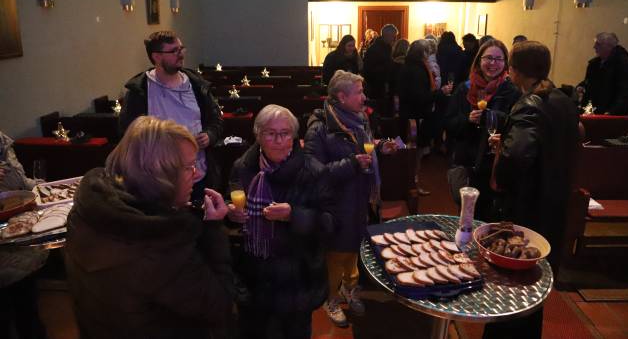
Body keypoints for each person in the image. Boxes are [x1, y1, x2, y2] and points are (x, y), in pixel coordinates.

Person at [64, 116, 234, 339]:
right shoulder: (163, 246)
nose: (198, 174)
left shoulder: (87, 212)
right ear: (160, 176)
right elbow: (219, 305)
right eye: (189, 167)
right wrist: (213, 230)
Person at [485, 41, 579, 339]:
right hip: (554, 200)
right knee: (535, 282)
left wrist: (503, 159)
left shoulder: (529, 104)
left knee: (512, 278)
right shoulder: (562, 100)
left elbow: (517, 158)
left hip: (528, 205)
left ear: (515, 70)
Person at [226, 105, 333, 339]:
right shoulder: (243, 168)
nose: (277, 140)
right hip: (253, 277)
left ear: (294, 137)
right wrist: (231, 214)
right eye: (270, 133)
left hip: (296, 278)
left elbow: (329, 223)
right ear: (258, 135)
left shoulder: (313, 172)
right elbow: (231, 206)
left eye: (284, 133)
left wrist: (293, 215)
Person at [304, 71, 397, 327]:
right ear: (342, 97)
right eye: (359, 93)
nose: (364, 97)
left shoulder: (357, 120)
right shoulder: (320, 128)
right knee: (336, 256)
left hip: (358, 199)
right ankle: (331, 300)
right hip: (335, 204)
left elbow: (360, 149)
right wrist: (351, 165)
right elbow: (315, 173)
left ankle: (350, 289)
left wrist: (378, 148)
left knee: (354, 251)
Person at [119, 31, 224, 204]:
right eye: (174, 51)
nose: (181, 54)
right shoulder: (140, 91)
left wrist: (209, 135)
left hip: (197, 175)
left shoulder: (196, 85)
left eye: (181, 48)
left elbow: (216, 119)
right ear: (157, 57)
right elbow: (127, 132)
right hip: (158, 180)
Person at [444, 39, 520, 221]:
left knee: (492, 217)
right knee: (468, 215)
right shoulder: (465, 88)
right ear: (479, 60)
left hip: (495, 163)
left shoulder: (511, 91)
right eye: (488, 58)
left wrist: (494, 120)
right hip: (468, 160)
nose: (493, 64)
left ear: (505, 63)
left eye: (498, 59)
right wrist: (467, 120)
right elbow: (448, 123)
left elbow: (516, 126)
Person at [0, 130, 49, 339]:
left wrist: (43, 188)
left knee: (28, 309)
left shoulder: (1, 140)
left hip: (17, 239)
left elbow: (20, 182)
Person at [399, 40, 453, 194]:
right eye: (428, 51)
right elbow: (420, 97)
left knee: (413, 152)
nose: (430, 54)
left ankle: (409, 182)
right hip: (416, 116)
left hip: (410, 114)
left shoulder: (408, 65)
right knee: (416, 153)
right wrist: (441, 92)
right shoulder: (417, 70)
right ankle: (412, 184)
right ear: (422, 53)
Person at [576, 32, 628, 115]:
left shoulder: (624, 63)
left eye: (598, 44)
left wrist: (611, 112)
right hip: (593, 113)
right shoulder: (595, 64)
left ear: (609, 46)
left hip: (612, 116)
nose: (594, 47)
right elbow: (589, 82)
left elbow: (625, 93)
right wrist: (581, 86)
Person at [362, 24, 398, 99]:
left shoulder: (386, 48)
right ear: (387, 35)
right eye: (394, 36)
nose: (395, 39)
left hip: (383, 87)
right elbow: (368, 70)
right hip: (377, 88)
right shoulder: (376, 49)